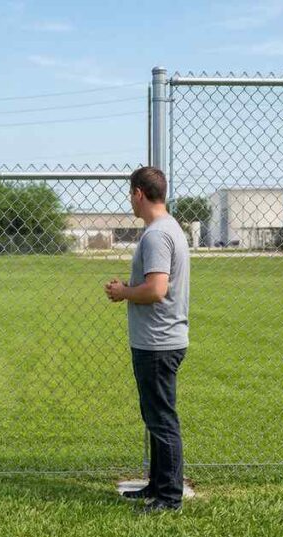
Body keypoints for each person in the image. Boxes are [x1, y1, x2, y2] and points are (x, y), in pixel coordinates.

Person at [104, 166, 190, 513]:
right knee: (155, 415)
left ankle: (169, 498)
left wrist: (123, 291)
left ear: (139, 192)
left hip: (158, 342)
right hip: (161, 339)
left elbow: (156, 290)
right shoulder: (170, 228)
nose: (130, 201)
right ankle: (157, 484)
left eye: (131, 195)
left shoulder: (156, 235)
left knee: (161, 418)